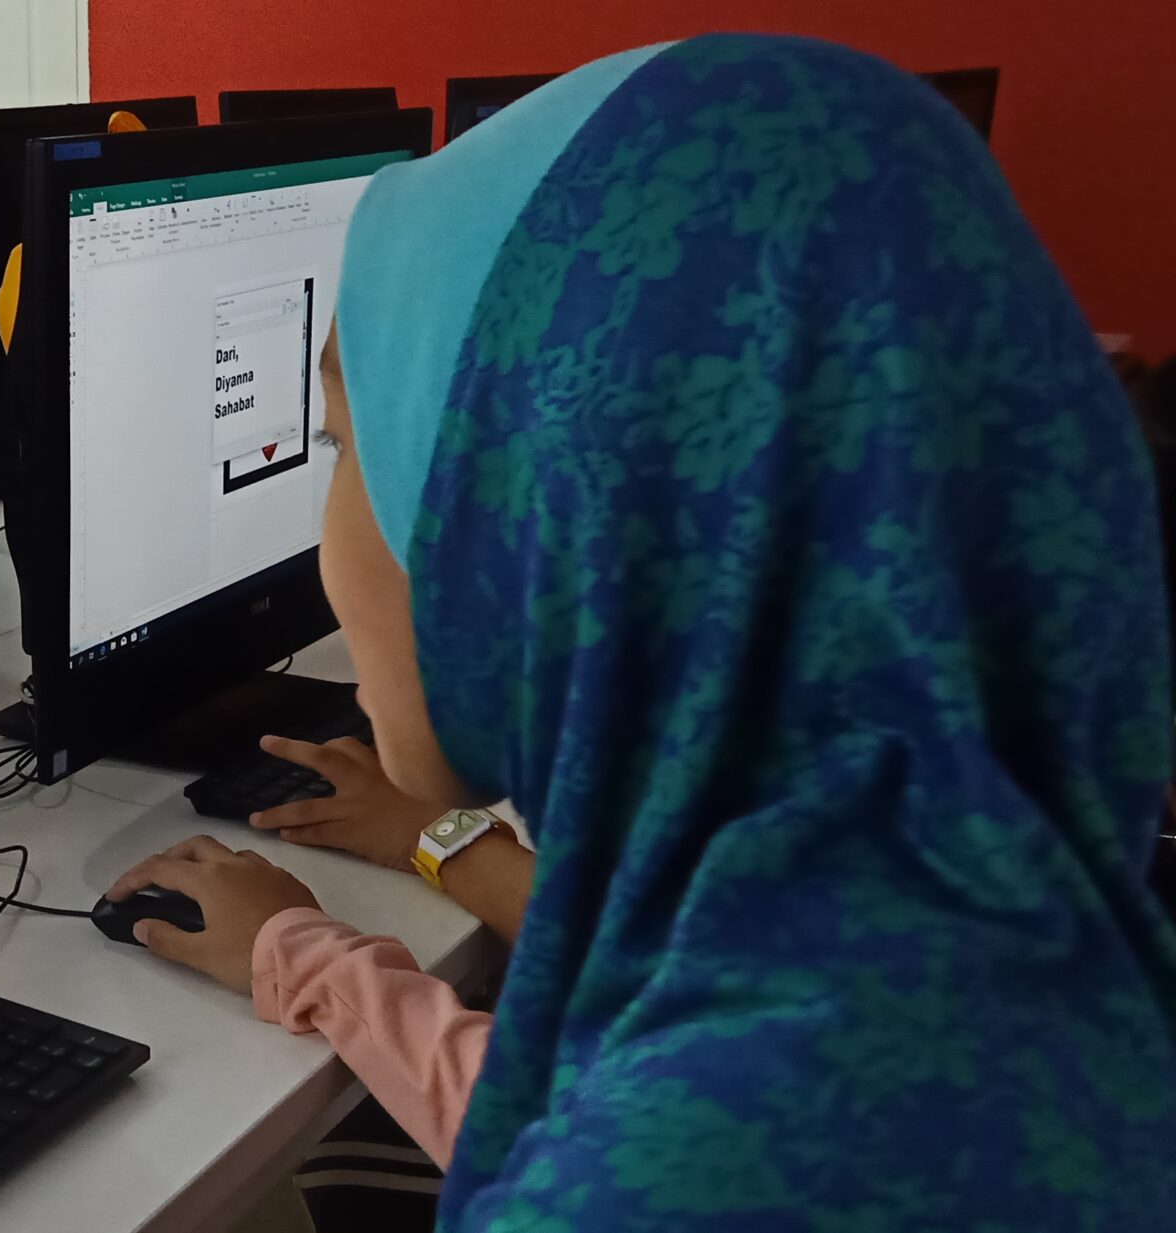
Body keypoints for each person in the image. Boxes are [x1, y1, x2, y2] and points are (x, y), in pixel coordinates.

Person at [111, 33, 1176, 1228]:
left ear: (560, 502)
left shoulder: (684, 1185)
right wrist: (435, 843)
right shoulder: (983, 910)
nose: (333, 534)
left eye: (350, 447)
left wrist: (315, 958)